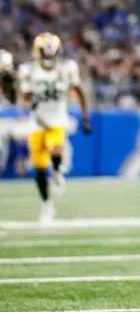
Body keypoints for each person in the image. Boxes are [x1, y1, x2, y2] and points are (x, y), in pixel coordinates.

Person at [18, 33, 91, 223]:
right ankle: (47, 204)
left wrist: (85, 116)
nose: (47, 55)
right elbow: (24, 100)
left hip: (57, 119)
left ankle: (57, 171)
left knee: (55, 150)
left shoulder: (66, 68)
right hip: (37, 122)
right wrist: (28, 98)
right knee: (40, 169)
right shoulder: (28, 70)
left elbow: (79, 91)